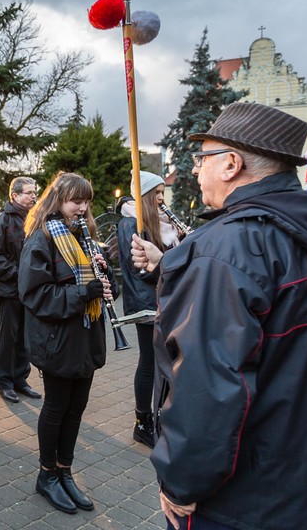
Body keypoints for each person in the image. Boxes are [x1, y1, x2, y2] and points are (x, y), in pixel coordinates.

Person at [129, 103, 307, 530]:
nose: (196, 171)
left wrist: (181, 481)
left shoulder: (225, 249)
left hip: (248, 496)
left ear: (231, 164)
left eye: (202, 159)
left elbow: (208, 389)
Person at [18, 171, 115, 515]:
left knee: (76, 409)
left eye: (87, 201)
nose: (83, 207)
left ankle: (65, 470)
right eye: (77, 200)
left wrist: (106, 278)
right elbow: (36, 296)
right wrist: (84, 291)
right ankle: (47, 475)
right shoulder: (41, 239)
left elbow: (97, 288)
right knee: (57, 408)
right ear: (58, 200)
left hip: (85, 338)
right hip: (58, 342)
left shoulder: (82, 236)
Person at [115, 171, 180, 449]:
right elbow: (138, 268)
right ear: (144, 197)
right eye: (157, 194)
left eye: (164, 193)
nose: (162, 199)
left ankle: (161, 415)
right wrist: (170, 267)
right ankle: (142, 422)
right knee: (149, 362)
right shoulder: (131, 222)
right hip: (146, 301)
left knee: (166, 360)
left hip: (165, 297)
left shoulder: (164, 222)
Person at [0, 176, 42, 405]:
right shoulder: (2, 221)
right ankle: (4, 383)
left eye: (34, 191)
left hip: (29, 291)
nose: (34, 196)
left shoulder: (35, 220)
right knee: (9, 338)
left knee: (24, 338)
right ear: (14, 196)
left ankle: (21, 380)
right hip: (9, 291)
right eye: (28, 192)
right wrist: (19, 274)